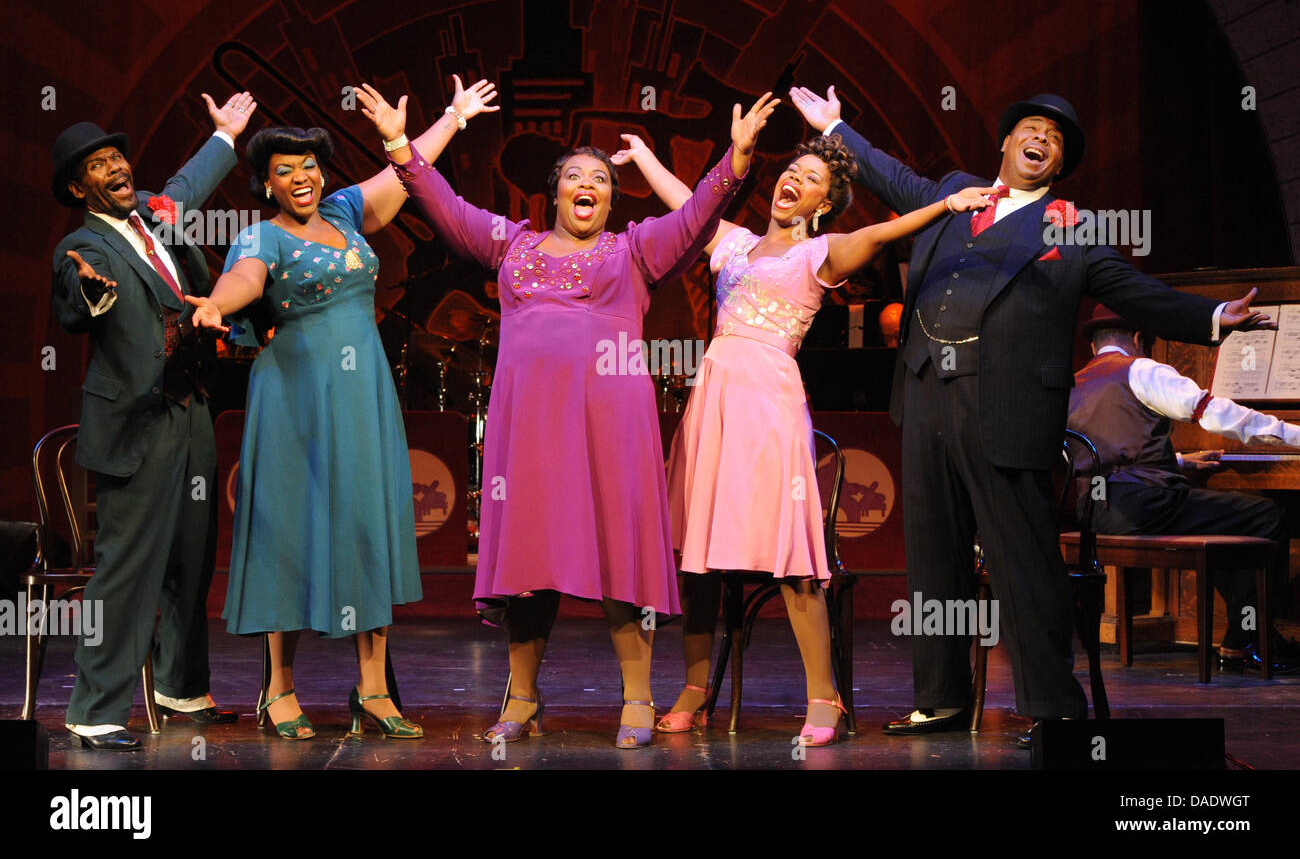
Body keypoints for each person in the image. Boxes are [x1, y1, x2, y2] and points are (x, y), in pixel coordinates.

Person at [789, 85, 1273, 741]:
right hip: (929, 390)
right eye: (1032, 129)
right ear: (1007, 141)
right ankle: (942, 699)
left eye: (1056, 137)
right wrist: (837, 127)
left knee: (1024, 561)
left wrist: (1213, 317)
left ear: (1060, 160)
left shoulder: (1070, 226)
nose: (1041, 140)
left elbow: (1137, 292)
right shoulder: (956, 190)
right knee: (935, 556)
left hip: (1009, 406)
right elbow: (893, 177)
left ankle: (1053, 707)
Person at [387, 89, 775, 748]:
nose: (588, 184)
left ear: (612, 199)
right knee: (528, 562)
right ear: (555, 194)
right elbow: (444, 208)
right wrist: (405, 145)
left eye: (601, 177)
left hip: (610, 429)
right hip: (531, 431)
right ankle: (523, 698)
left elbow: (700, 212)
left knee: (619, 559)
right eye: (575, 176)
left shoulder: (636, 249)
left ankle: (636, 697)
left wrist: (736, 157)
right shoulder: (512, 245)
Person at [611, 132, 997, 744]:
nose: (795, 180)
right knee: (697, 559)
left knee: (792, 559)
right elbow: (689, 206)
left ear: (823, 202)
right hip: (713, 399)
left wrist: (946, 207)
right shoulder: (732, 240)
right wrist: (646, 159)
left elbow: (883, 235)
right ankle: (694, 686)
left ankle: (825, 697)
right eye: (793, 169)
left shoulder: (822, 252)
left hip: (769, 402)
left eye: (812, 177)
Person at [187, 77, 499, 740]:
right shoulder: (259, 239)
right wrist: (217, 304)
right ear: (265, 184)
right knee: (286, 531)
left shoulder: (346, 212)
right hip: (293, 396)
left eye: (309, 167)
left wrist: (452, 117)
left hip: (362, 398)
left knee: (366, 526)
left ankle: (375, 689)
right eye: (285, 172)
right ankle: (278, 688)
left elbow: (404, 170)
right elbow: (241, 283)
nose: (301, 179)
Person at [50, 92, 257, 751]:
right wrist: (91, 292)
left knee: (191, 560)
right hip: (136, 424)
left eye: (117, 157)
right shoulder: (83, 246)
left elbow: (184, 187)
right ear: (79, 187)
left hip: (190, 407)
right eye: (98, 166)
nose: (114, 168)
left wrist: (224, 136)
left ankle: (179, 687)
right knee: (128, 568)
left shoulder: (150, 216)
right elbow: (77, 297)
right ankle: (96, 709)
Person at [1069, 304, 1299, 671]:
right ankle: (1247, 638)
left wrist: (1178, 461)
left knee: (1222, 525)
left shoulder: (1076, 381)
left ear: (1095, 345)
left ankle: (1241, 635)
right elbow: (1215, 412)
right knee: (1266, 514)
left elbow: (1102, 451)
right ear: (1140, 338)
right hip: (1145, 504)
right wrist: (1293, 435)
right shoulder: (1141, 369)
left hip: (1095, 509)